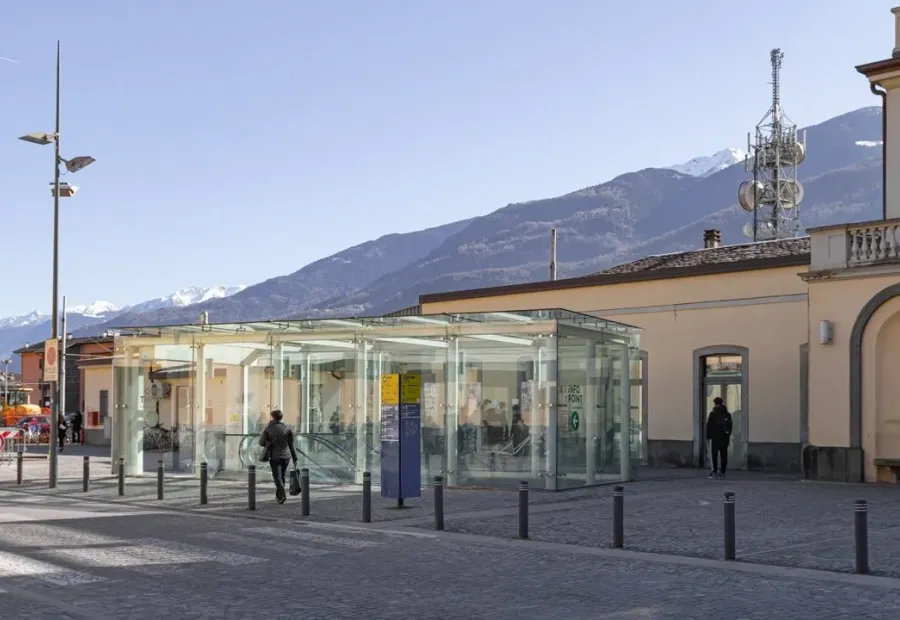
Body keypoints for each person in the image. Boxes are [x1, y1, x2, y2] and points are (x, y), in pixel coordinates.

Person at [258, 409, 298, 504]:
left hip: (275, 456)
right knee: (282, 476)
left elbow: (261, 442)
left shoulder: (268, 429)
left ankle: (282, 495)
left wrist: (268, 442)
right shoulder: (287, 428)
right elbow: (291, 445)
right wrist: (295, 458)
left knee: (277, 477)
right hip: (286, 456)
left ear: (273, 417)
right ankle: (279, 497)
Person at [706, 396, 733, 479]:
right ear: (722, 403)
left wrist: (708, 436)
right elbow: (730, 426)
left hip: (715, 438)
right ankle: (722, 472)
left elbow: (709, 426)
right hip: (724, 438)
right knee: (724, 455)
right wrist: (727, 435)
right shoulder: (727, 414)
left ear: (715, 403)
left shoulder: (712, 414)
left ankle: (714, 472)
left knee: (714, 455)